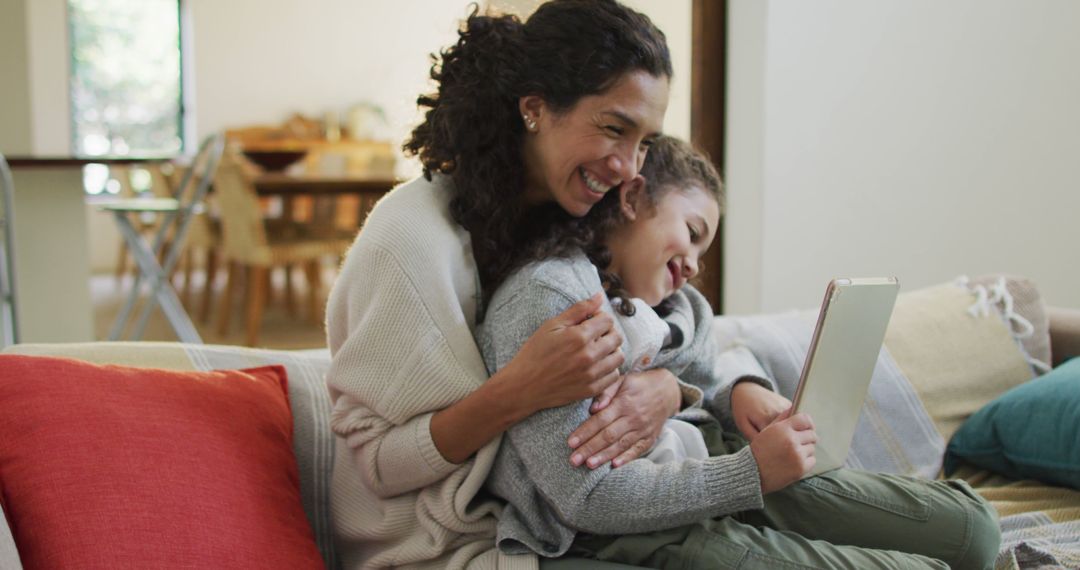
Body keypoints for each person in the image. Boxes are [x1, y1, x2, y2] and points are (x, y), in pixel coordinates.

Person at [478, 136, 1002, 569]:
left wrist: (730, 391)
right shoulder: (555, 299)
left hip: (716, 462)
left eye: (704, 252)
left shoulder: (678, 309)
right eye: (692, 233)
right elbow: (585, 497)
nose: (696, 265)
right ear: (633, 199)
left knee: (974, 531)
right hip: (644, 529)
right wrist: (751, 474)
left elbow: (708, 362)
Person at [325, 2, 695, 568]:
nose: (628, 165)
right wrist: (518, 390)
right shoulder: (408, 243)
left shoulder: (569, 214)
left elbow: (675, 311)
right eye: (614, 128)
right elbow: (376, 464)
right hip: (436, 545)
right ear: (535, 109)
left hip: (547, 519)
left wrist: (667, 390)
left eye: (644, 141)